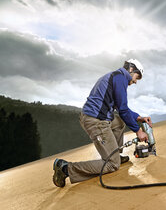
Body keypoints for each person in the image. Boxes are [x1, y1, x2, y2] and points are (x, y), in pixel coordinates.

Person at [52, 59, 152, 187]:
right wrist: (138, 131)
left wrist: (139, 117)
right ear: (131, 70)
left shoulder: (116, 77)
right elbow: (123, 109)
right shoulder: (121, 78)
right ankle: (65, 168)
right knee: (112, 165)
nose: (135, 82)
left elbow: (122, 108)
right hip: (96, 121)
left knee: (120, 122)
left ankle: (115, 153)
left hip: (97, 117)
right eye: (137, 77)